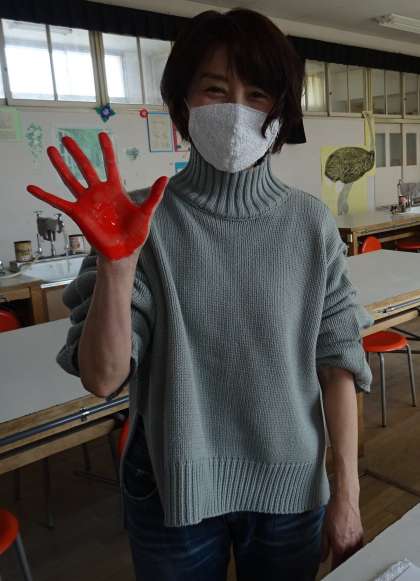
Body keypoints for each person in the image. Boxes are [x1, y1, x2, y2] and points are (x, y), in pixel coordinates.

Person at [27, 8, 373, 581]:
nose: (236, 110)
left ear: (281, 112)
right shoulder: (141, 220)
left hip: (290, 484)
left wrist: (348, 494)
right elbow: (102, 378)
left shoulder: (310, 224)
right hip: (171, 485)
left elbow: (339, 364)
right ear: (182, 103)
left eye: (257, 94)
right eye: (215, 89)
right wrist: (117, 265)